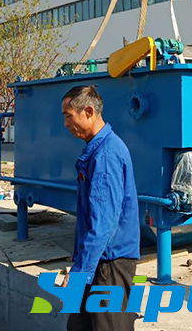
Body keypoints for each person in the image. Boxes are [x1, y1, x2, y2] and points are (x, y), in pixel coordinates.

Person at [61, 85, 140, 331]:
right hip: (96, 260)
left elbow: (103, 224)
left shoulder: (106, 156)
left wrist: (79, 273)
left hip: (110, 264)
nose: (65, 123)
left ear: (88, 111)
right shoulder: (98, 150)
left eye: (68, 116)